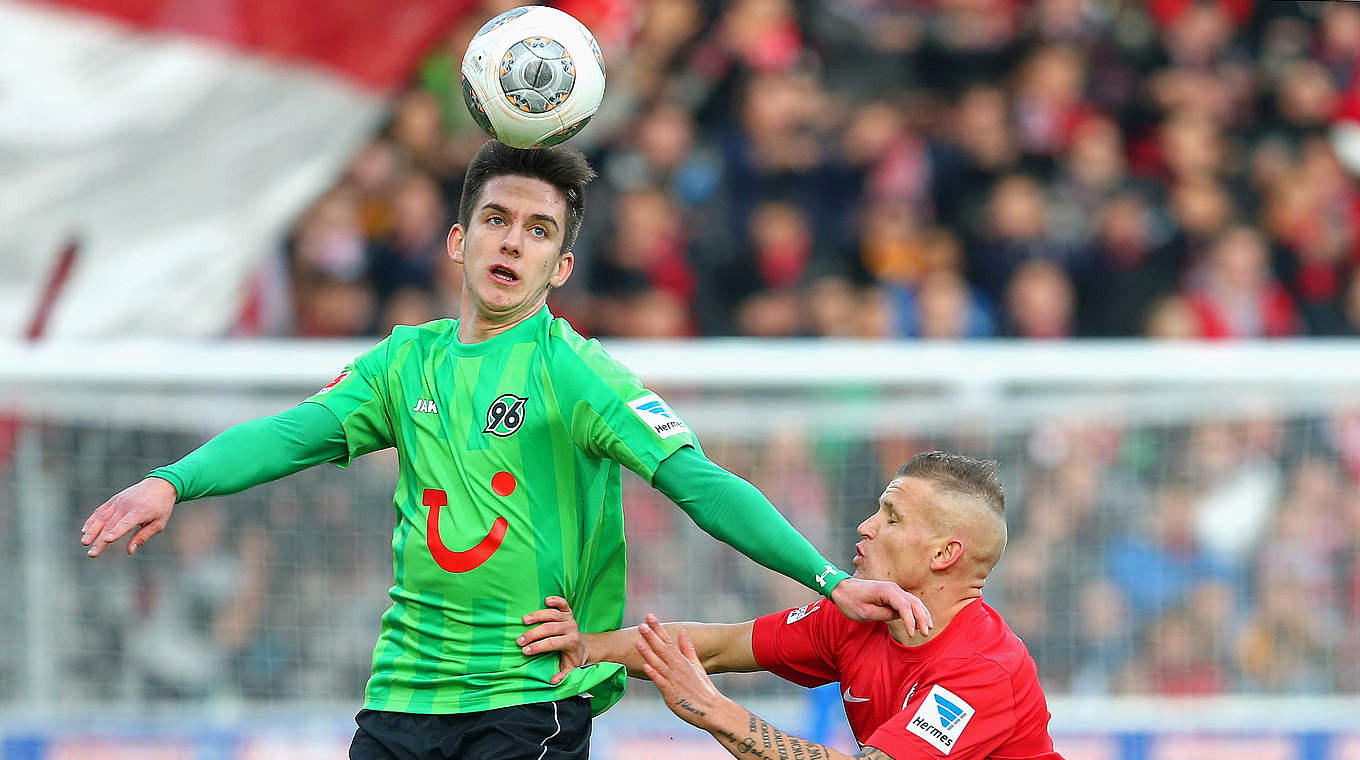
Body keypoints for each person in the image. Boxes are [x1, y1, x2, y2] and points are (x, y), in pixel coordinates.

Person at [78, 141, 930, 760]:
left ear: (560, 267)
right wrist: (172, 483)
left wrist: (828, 579)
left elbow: (698, 482)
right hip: (400, 696)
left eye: (536, 230)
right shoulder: (403, 361)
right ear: (460, 242)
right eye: (495, 220)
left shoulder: (579, 373)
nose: (511, 242)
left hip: (527, 703)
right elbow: (291, 435)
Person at [522, 451, 1064, 760]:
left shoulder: (982, 671)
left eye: (892, 517)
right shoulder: (860, 619)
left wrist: (716, 713)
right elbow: (714, 648)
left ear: (946, 554)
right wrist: (587, 647)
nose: (866, 527)